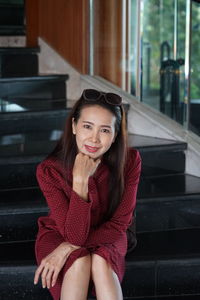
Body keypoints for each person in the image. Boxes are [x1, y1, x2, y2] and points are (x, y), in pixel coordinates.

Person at [34, 89, 141, 300]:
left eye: (104, 130)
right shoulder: (49, 170)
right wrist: (80, 181)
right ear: (74, 126)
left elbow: (119, 224)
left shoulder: (130, 161)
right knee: (79, 260)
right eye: (87, 126)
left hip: (108, 231)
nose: (94, 139)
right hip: (61, 231)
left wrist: (66, 249)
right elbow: (73, 236)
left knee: (102, 261)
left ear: (115, 134)